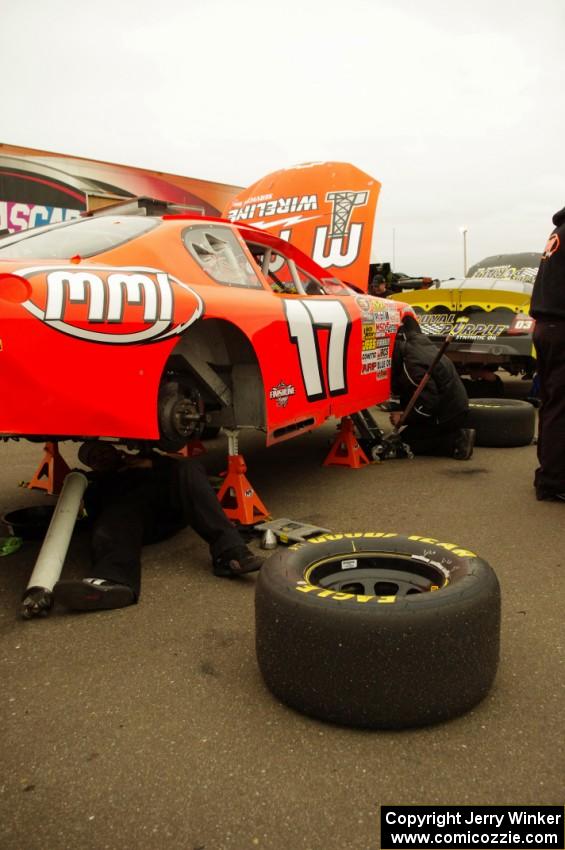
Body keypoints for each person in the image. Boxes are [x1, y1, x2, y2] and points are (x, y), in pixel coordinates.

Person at [54, 441, 263, 612]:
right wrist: (79, 487)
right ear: (92, 466)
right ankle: (113, 582)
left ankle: (231, 553)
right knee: (117, 513)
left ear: (116, 450)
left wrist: (149, 464)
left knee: (188, 467)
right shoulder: (95, 482)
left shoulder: (147, 461)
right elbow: (87, 517)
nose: (101, 458)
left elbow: (185, 469)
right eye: (94, 458)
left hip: (170, 513)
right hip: (135, 525)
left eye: (103, 451)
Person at [390, 315, 475, 459]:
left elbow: (428, 403)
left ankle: (456, 441)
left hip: (447, 414)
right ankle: (450, 434)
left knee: (404, 442)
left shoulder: (412, 362)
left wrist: (405, 418)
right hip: (453, 406)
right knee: (408, 434)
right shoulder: (422, 345)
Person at [529, 206, 565, 501]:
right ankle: (554, 481)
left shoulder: (558, 232)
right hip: (561, 325)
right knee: (560, 404)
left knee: (553, 402)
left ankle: (549, 475)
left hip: (547, 325)